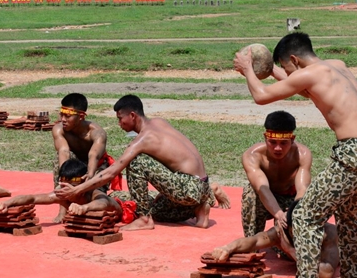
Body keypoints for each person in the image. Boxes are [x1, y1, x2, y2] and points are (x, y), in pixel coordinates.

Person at [234, 32, 357, 278]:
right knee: (348, 213)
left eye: (286, 69)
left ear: (294, 60)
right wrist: (272, 70)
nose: (287, 74)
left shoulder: (312, 74)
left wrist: (248, 70)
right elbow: (303, 87)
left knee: (305, 216)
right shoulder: (336, 66)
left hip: (354, 154)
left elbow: (261, 97)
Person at [56, 94, 230, 231]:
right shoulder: (159, 122)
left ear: (132, 115)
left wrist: (78, 189)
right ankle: (200, 207)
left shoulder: (143, 139)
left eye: (120, 118)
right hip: (200, 185)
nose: (119, 123)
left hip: (188, 187)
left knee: (136, 161)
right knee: (158, 210)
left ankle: (144, 219)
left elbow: (111, 172)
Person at [210, 206, 357, 278]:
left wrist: (290, 250)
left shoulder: (329, 235)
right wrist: (228, 248)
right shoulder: (283, 229)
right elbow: (254, 240)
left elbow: (325, 274)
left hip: (349, 242)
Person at [241, 110, 311, 238]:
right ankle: (252, 240)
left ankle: (282, 239)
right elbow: (262, 189)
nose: (277, 148)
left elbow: (302, 190)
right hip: (266, 197)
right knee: (250, 193)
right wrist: (278, 214)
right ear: (265, 137)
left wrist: (291, 215)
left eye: (283, 143)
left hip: (291, 199)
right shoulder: (252, 156)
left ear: (292, 139)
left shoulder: (302, 154)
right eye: (272, 142)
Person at [51, 93, 118, 222]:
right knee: (58, 159)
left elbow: (94, 155)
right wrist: (65, 180)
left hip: (97, 165)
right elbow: (64, 151)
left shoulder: (97, 133)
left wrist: (90, 175)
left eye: (68, 116)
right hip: (75, 165)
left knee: (94, 194)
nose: (63, 119)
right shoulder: (59, 130)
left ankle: (91, 205)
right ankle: (63, 209)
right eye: (61, 114)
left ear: (81, 116)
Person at [0, 158, 122, 221]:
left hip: (123, 203)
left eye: (72, 184)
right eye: (63, 183)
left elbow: (103, 203)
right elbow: (32, 198)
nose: (65, 188)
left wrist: (84, 208)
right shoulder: (62, 195)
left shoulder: (93, 193)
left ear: (83, 181)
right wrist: (6, 204)